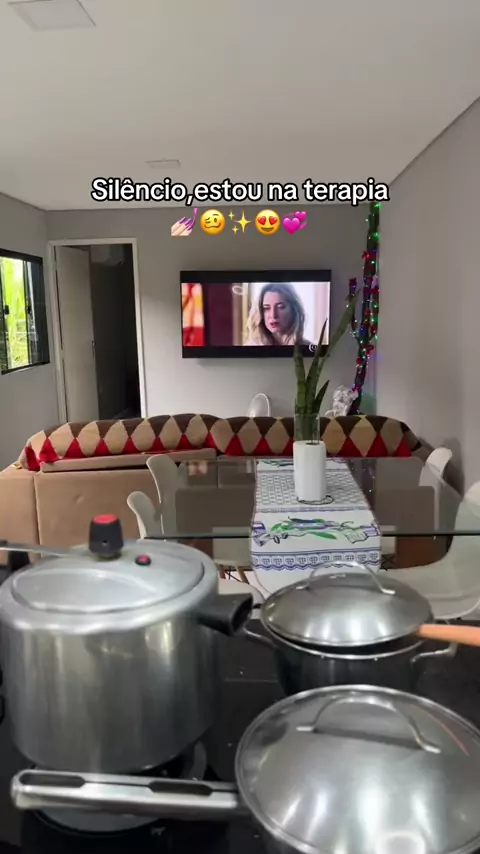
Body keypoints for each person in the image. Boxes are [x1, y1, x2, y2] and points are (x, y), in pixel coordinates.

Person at [245, 283, 311, 346]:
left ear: (293, 310)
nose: (273, 315)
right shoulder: (250, 347)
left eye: (280, 307)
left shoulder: (309, 347)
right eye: (266, 308)